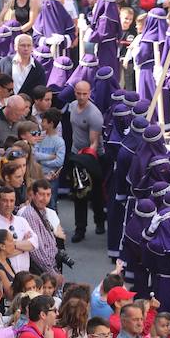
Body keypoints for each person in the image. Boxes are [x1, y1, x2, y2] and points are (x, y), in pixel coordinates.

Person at [69, 80, 105, 243]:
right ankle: (80, 229)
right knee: (79, 193)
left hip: (92, 157)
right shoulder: (71, 107)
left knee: (96, 194)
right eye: (79, 93)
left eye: (85, 94)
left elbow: (94, 143)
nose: (82, 97)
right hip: (76, 154)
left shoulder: (94, 114)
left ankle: (99, 222)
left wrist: (85, 161)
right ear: (75, 92)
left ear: (90, 94)